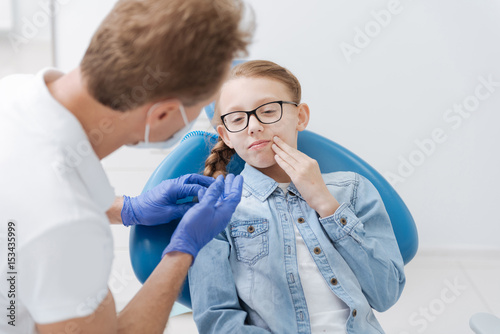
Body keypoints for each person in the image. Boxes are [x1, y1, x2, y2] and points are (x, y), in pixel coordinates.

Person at [0, 0, 253, 333]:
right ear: (161, 114)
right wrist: (183, 250)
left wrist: (125, 209)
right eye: (199, 110)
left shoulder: (13, 91)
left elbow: (25, 212)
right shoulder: (69, 227)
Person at [189, 60, 406, 333]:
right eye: (237, 119)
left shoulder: (352, 190)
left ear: (300, 116)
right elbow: (217, 321)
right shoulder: (215, 209)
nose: (253, 126)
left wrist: (326, 205)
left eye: (268, 111)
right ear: (226, 136)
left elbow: (385, 294)